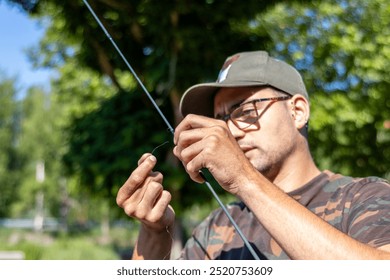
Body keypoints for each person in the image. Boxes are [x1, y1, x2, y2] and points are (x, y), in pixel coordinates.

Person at [116, 51, 390, 260]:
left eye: (246, 112)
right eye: (220, 119)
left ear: (297, 111)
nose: (229, 131)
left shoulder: (364, 197)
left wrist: (243, 179)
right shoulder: (217, 225)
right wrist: (153, 233)